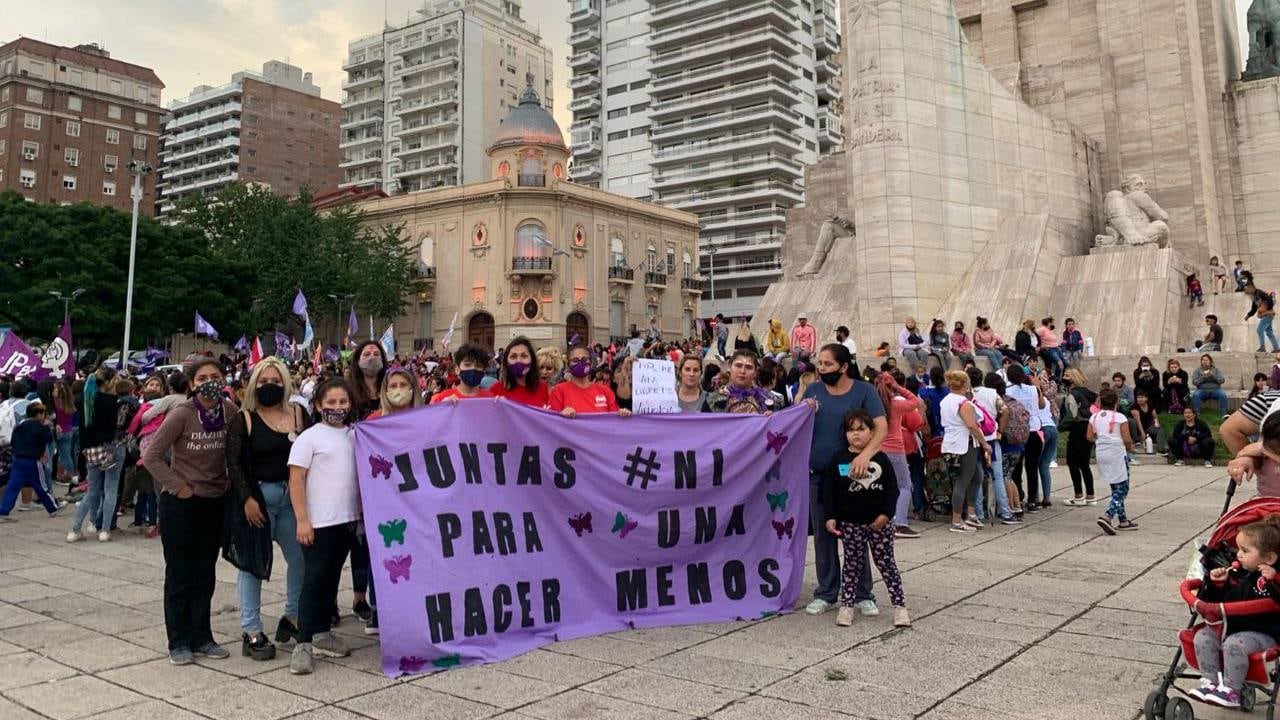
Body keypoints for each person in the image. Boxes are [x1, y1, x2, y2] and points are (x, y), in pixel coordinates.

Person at [142, 357, 238, 665]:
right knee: (180, 573)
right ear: (192, 383)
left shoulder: (229, 412)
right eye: (203, 377)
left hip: (214, 501)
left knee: (204, 574)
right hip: (181, 504)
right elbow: (152, 455)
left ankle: (202, 636)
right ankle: (178, 641)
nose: (209, 381)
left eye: (215, 376)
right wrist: (178, 486)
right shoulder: (181, 414)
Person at [226, 357, 308, 661]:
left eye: (275, 381)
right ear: (253, 385)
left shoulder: (299, 414)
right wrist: (246, 499)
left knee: (300, 559)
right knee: (252, 565)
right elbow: (233, 464)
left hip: (293, 499)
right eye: (263, 381)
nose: (269, 386)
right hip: (259, 498)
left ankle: (293, 617)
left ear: (285, 383)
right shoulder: (244, 418)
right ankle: (251, 630)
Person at [801, 343, 887, 618]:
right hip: (818, 476)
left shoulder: (864, 391)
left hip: (852, 475)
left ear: (843, 366)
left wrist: (866, 456)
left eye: (827, 364)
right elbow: (794, 418)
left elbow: (881, 426)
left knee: (856, 533)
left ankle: (862, 593)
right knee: (823, 537)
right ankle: (826, 592)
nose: (822, 369)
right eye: (820, 364)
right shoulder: (813, 390)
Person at [287, 379, 359, 675]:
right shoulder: (309, 438)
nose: (337, 408)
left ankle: (321, 634)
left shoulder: (354, 436)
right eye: (331, 402)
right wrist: (303, 519)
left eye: (343, 402)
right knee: (314, 581)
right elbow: (296, 479)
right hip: (319, 522)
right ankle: (303, 643)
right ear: (318, 405)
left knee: (330, 580)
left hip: (346, 521)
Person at [821, 409, 911, 629]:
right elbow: (829, 491)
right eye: (851, 430)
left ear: (872, 432)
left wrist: (886, 515)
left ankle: (900, 607)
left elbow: (893, 490)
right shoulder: (839, 460)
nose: (856, 434)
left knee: (886, 564)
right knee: (852, 565)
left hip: (879, 523)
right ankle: (847, 605)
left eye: (861, 429)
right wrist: (831, 517)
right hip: (851, 524)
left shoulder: (881, 459)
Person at [1187, 514, 1280, 708]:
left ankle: (1232, 690)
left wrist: (1275, 580)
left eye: (1245, 550)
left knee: (1233, 644)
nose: (1238, 554)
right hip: (1233, 626)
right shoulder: (1240, 574)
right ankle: (1210, 682)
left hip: (1264, 632)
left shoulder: (1270, 579)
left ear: (1270, 557)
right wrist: (1217, 585)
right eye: (1238, 548)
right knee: (1202, 636)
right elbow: (1223, 601)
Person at [939, 370, 990, 533]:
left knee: (976, 476)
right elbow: (971, 425)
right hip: (965, 443)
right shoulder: (963, 403)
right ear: (965, 384)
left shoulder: (946, 400)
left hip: (951, 442)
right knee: (963, 480)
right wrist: (984, 443)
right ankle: (957, 519)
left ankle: (971, 513)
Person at [873, 372, 921, 539]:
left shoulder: (872, 405)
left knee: (883, 486)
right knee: (905, 485)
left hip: (878, 449)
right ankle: (900, 522)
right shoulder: (895, 404)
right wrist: (898, 386)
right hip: (895, 449)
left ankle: (882, 520)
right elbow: (915, 402)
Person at [0, 402, 61, 520]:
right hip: (33, 460)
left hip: (18, 459)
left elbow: (13, 440)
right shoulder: (40, 426)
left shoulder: (20, 424)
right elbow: (49, 439)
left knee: (13, 486)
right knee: (40, 485)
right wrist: (47, 427)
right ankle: (52, 508)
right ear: (39, 414)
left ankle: (3, 511)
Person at [1090, 388, 1137, 534]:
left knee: (1115, 485)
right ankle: (1108, 516)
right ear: (1116, 402)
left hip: (1101, 452)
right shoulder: (1120, 417)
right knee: (1123, 487)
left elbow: (1089, 436)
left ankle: (1123, 520)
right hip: (1116, 452)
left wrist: (1102, 441)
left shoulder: (1095, 417)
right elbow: (1127, 439)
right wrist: (1129, 448)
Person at [1004, 364, 1045, 511]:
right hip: (1033, 428)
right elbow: (1041, 405)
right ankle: (1032, 499)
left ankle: (1018, 497)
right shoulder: (1033, 389)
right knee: (1032, 467)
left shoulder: (1008, 391)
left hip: (1017, 432)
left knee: (1016, 468)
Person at [550, 344, 631, 417]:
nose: (580, 363)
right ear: (568, 364)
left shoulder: (605, 391)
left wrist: (623, 414)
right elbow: (552, 423)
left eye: (584, 359)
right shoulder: (558, 391)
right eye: (575, 360)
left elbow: (614, 419)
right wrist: (561, 416)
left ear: (591, 362)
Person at [1059, 368, 1097, 506]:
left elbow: (1072, 415)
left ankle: (1078, 495)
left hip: (1078, 428)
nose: (1064, 377)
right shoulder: (1090, 393)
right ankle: (1091, 495)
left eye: (1067, 375)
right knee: (1084, 463)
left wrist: (1061, 427)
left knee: (1073, 462)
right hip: (1090, 427)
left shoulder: (1072, 395)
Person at [704, 350, 783, 414]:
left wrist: (771, 420)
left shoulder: (770, 401)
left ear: (755, 372)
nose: (742, 371)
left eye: (749, 367)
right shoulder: (712, 401)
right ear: (730, 367)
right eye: (738, 365)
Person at [492, 336, 549, 408]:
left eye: (524, 356)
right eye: (513, 356)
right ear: (506, 362)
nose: (519, 360)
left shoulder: (542, 387)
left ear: (532, 360)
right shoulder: (495, 390)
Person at [1245, 278, 1279, 353]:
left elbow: (1269, 300)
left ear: (1251, 287)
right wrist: (1248, 315)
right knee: (1269, 332)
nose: (1246, 291)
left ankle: (1262, 347)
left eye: (1247, 289)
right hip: (1265, 315)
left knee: (1259, 329)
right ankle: (1277, 348)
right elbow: (1254, 308)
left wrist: (1267, 310)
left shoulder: (1259, 292)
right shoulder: (1253, 297)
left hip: (1267, 314)